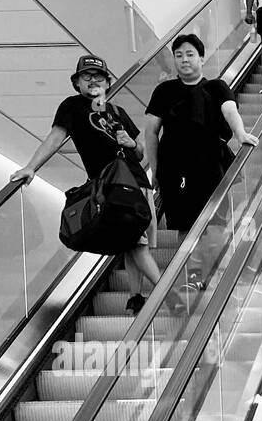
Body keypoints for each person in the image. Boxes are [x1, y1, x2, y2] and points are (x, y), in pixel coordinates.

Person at [10, 53, 161, 315]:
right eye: (87, 77)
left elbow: (139, 153)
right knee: (136, 243)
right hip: (109, 186)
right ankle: (167, 294)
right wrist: (30, 167)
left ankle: (136, 297)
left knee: (134, 242)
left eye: (99, 77)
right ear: (77, 82)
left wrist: (131, 144)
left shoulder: (118, 111)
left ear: (107, 82)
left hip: (138, 184)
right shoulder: (72, 107)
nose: (93, 81)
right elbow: (55, 138)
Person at [144, 34, 258, 247]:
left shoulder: (217, 87)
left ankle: (212, 275)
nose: (184, 59)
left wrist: (241, 133)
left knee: (214, 222)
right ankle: (189, 275)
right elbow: (151, 132)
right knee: (183, 226)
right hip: (174, 168)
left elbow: (229, 109)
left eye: (190, 54)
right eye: (178, 55)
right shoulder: (164, 91)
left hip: (209, 165)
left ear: (201, 58)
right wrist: (156, 169)